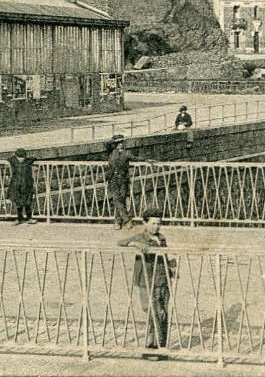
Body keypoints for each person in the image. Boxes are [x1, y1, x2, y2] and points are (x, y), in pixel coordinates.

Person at [119, 207, 174, 360]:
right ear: (144, 223)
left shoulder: (161, 238)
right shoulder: (141, 237)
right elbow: (121, 242)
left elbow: (166, 257)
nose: (156, 227)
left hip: (162, 280)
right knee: (153, 312)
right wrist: (134, 243)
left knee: (163, 313)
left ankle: (161, 347)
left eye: (159, 223)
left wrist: (171, 268)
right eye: (153, 223)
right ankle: (151, 347)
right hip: (148, 280)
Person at [105, 134, 135, 230]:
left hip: (123, 179)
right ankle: (126, 220)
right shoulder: (111, 152)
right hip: (113, 179)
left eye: (121, 143)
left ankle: (117, 221)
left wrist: (147, 160)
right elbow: (106, 145)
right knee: (116, 199)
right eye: (117, 144)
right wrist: (113, 140)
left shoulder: (126, 153)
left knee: (121, 199)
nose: (120, 145)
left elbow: (136, 158)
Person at [6, 148, 36, 225]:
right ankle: (20, 218)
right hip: (17, 185)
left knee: (27, 202)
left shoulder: (27, 161)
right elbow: (9, 158)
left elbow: (33, 158)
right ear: (16, 157)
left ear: (25, 156)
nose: (21, 159)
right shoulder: (14, 161)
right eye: (19, 157)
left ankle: (29, 218)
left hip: (26, 185)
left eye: (22, 157)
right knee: (18, 203)